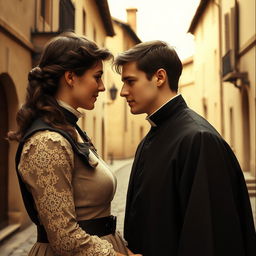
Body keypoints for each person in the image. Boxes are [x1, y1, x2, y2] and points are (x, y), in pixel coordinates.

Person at [114, 40, 256, 256]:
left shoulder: (198, 139)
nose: (123, 91)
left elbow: (207, 236)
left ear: (160, 77)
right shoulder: (154, 135)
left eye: (130, 81)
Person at [8, 32, 141, 256]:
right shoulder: (47, 142)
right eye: (97, 77)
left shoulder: (69, 129)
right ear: (70, 77)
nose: (101, 87)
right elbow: (64, 238)